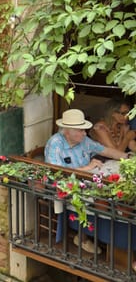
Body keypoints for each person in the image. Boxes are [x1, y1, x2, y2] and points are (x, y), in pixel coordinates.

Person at [45, 109, 130, 254]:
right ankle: (85, 237)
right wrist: (87, 167)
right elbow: (58, 174)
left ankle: (107, 239)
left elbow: (105, 151)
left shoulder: (83, 140)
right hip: (66, 187)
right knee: (105, 197)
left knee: (116, 189)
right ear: (67, 131)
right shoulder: (55, 144)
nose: (85, 133)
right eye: (81, 130)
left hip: (86, 180)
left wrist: (127, 158)